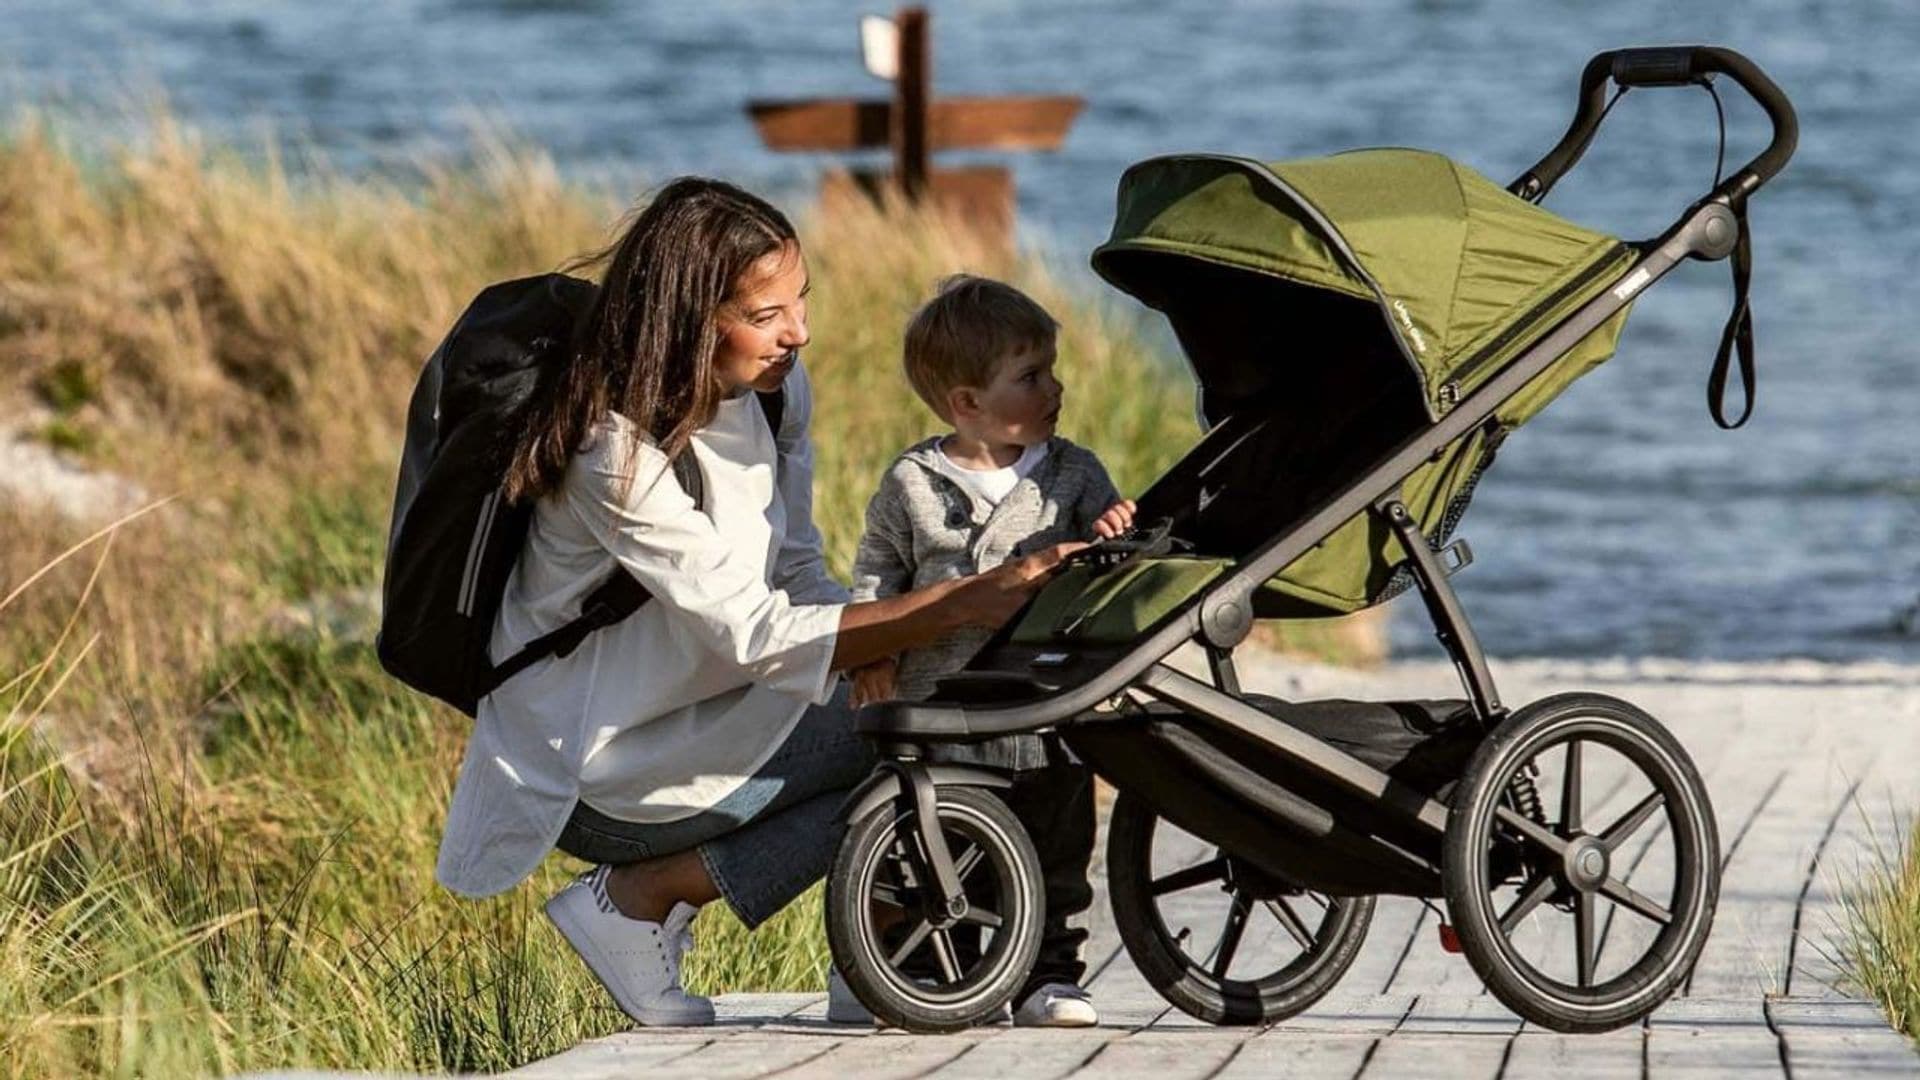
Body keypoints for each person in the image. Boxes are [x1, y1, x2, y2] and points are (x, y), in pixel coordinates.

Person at [431, 178, 1079, 1027]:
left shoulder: (773, 395)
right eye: (766, 314)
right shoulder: (610, 450)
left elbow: (797, 572)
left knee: (928, 698)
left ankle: (873, 961)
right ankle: (639, 896)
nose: (799, 332)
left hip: (707, 712)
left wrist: (887, 643)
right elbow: (754, 633)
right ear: (691, 316)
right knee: (918, 722)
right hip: (598, 765)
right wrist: (955, 604)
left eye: (800, 301)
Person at [840, 275, 1135, 1027]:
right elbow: (878, 568)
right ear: (967, 404)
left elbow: (1114, 553)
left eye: (1051, 369)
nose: (1054, 387)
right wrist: (868, 649)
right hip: (942, 701)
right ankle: (941, 973)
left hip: (1044, 701)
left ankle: (1051, 975)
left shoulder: (1074, 472)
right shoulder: (913, 482)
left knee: (1056, 842)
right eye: (1030, 376)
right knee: (934, 845)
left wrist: (1117, 530)